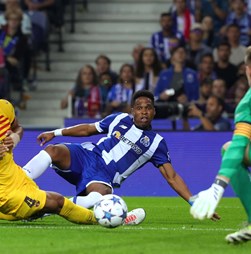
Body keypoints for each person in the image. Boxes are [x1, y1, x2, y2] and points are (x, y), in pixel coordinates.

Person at [23, 90, 200, 222]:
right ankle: (19, 181)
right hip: (87, 156)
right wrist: (55, 133)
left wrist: (193, 200)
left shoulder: (156, 143)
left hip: (103, 177)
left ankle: (45, 209)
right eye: (139, 108)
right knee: (53, 151)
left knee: (99, 197)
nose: (143, 111)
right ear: (133, 111)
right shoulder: (119, 119)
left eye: (148, 108)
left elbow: (172, 177)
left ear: (154, 111)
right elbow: (87, 129)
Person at [0, 99, 97, 224]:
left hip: (16, 177)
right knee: (56, 202)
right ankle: (99, 219)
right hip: (4, 192)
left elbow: (17, 127)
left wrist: (15, 137)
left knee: (38, 210)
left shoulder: (4, 106)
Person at [190, 46, 251, 243]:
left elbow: (239, 143)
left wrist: (218, 185)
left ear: (247, 69)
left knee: (229, 148)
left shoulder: (247, 103)